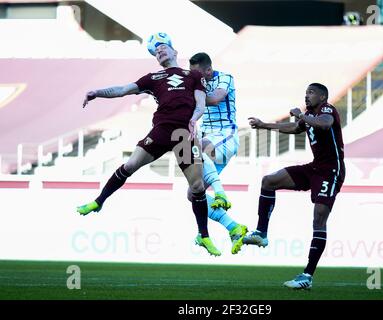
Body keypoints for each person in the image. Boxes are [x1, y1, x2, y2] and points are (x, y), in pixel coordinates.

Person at [76, 40, 221, 256]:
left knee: (198, 187)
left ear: (175, 51)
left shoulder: (193, 76)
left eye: (164, 48)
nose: (160, 51)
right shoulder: (152, 78)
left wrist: (193, 119)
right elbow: (122, 90)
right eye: (157, 51)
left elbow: (201, 104)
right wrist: (97, 92)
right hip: (162, 130)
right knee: (131, 164)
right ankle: (98, 202)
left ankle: (204, 236)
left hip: (183, 133)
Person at [244, 83, 345, 289]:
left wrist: (300, 115)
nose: (306, 96)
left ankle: (307, 275)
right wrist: (264, 125)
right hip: (314, 168)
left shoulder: (327, 109)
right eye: (305, 92)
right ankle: (261, 233)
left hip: (331, 171)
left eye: (311, 92)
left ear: (323, 96)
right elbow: (294, 128)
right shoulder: (308, 115)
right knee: (269, 181)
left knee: (318, 219)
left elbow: (325, 124)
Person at [188, 52, 247, 255]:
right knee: (194, 194)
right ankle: (235, 228)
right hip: (210, 142)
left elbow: (215, 98)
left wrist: (192, 96)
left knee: (199, 146)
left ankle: (221, 194)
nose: (194, 77)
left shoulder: (225, 78)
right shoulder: (196, 81)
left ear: (208, 70)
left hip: (226, 135)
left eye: (197, 73)